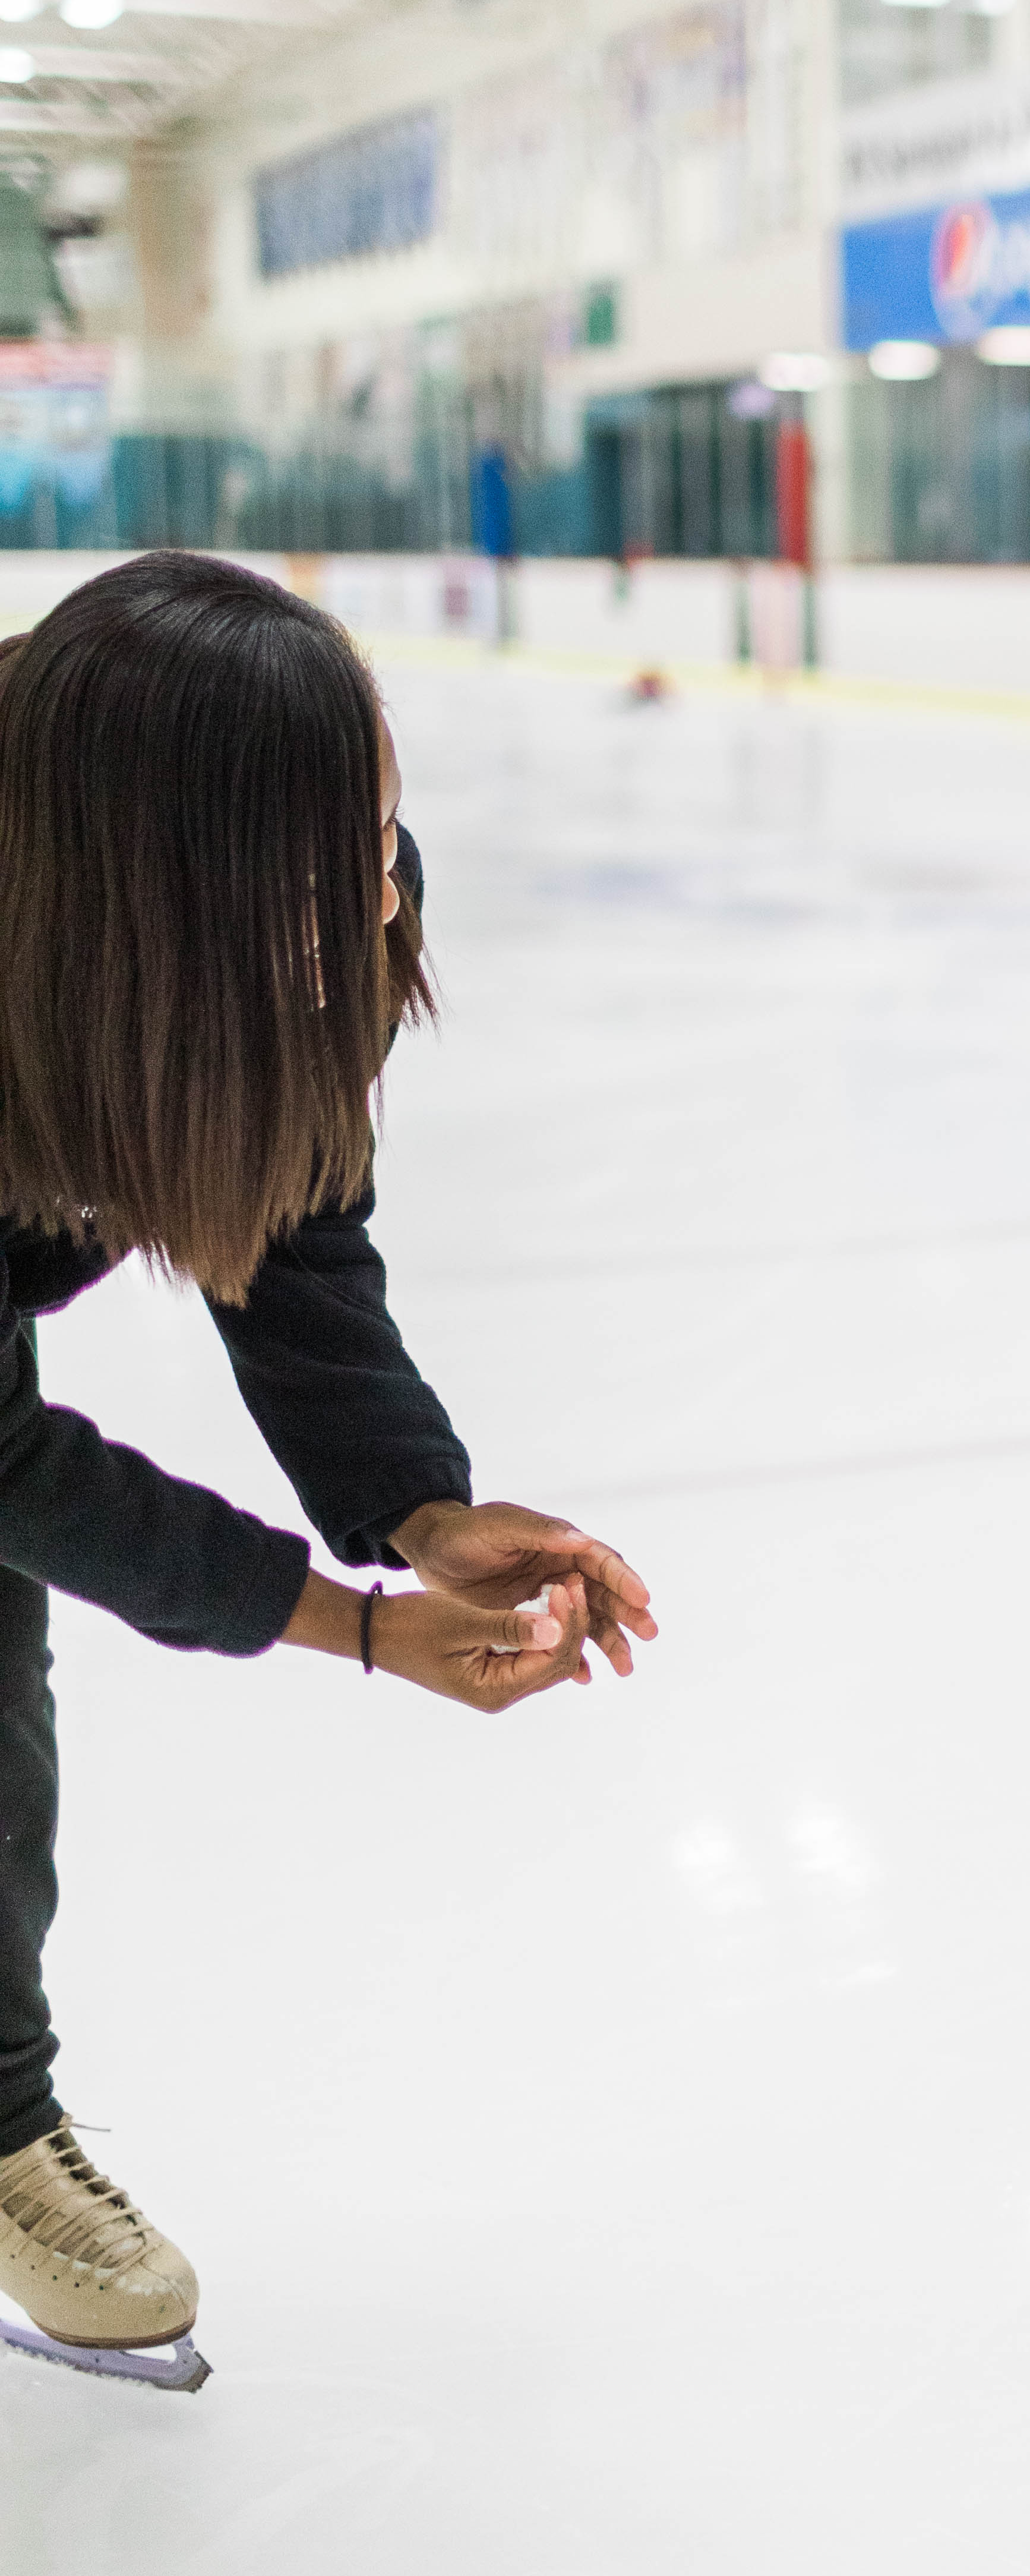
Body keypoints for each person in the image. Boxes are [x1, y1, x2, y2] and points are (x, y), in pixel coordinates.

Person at [0, 551, 655, 2382]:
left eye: (383, 828)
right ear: (160, 884)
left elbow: (287, 1216)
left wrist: (414, 1511)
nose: (381, 893)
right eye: (333, 859)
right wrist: (344, 1630)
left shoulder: (321, 889)